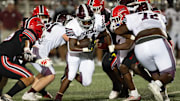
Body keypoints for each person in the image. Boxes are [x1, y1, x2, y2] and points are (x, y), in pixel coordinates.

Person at [112, 1, 176, 101]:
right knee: (169, 73)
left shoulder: (133, 16)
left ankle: (163, 95)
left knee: (153, 71)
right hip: (158, 41)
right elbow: (164, 28)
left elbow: (118, 30)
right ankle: (157, 86)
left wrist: (120, 30)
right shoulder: (158, 14)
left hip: (140, 46)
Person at [55, 4, 112, 101]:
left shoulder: (98, 19)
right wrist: (86, 47)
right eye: (84, 22)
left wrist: (110, 48)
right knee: (71, 75)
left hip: (87, 54)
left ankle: (68, 73)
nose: (87, 24)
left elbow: (105, 34)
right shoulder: (72, 25)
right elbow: (72, 47)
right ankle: (58, 97)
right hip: (75, 52)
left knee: (86, 82)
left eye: (89, 21)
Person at [22, 5, 71, 101]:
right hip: (37, 51)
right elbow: (71, 41)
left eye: (44, 17)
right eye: (41, 16)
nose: (43, 19)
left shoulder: (47, 26)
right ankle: (30, 93)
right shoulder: (61, 28)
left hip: (35, 50)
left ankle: (35, 91)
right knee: (51, 74)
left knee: (43, 73)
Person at [0, 17, 51, 101]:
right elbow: (25, 40)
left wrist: (39, 61)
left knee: (3, 77)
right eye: (41, 28)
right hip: (3, 58)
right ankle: (7, 97)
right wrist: (27, 49)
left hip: (3, 57)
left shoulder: (19, 35)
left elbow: (23, 58)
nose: (42, 30)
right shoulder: (29, 32)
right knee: (29, 77)